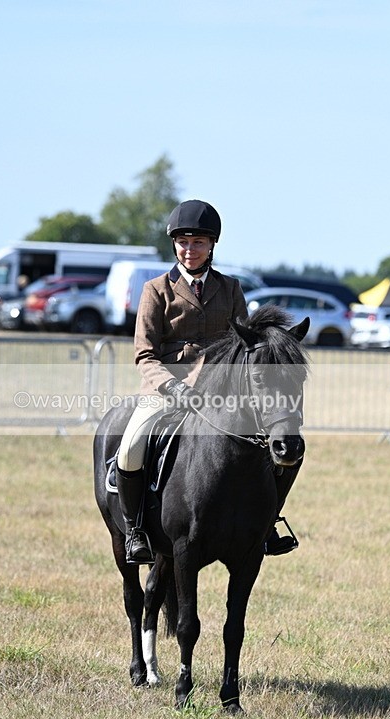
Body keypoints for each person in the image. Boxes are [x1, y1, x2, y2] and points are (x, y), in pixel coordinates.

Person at [116, 199, 301, 565]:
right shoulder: (156, 290)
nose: (190, 249)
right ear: (174, 245)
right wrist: (174, 388)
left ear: (212, 245)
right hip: (167, 388)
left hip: (221, 391)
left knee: (285, 447)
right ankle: (136, 530)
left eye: (198, 242)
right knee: (131, 445)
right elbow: (145, 354)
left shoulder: (230, 288)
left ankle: (268, 522)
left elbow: (247, 342)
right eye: (183, 242)